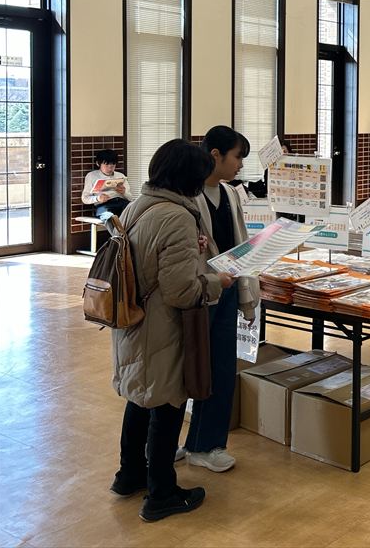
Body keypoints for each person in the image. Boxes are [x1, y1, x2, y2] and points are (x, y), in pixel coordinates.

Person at [109, 139, 235, 521]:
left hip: (133, 321)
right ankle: (161, 493)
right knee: (166, 406)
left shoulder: (137, 206)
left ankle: (130, 474)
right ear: (189, 179)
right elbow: (182, 291)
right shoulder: (177, 216)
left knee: (140, 399)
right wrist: (218, 283)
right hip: (163, 328)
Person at [180, 126, 261, 472]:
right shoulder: (187, 194)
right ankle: (173, 442)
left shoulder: (230, 193)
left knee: (221, 370)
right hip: (196, 294)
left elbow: (241, 245)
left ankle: (207, 444)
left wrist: (248, 296)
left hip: (226, 293)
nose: (240, 164)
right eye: (237, 157)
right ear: (215, 155)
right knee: (184, 371)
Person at [82, 149, 132, 221]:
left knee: (134, 213)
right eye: (106, 164)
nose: (110, 168)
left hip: (121, 202)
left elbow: (130, 198)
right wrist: (97, 198)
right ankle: (116, 227)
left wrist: (124, 192)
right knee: (109, 217)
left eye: (113, 165)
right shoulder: (91, 176)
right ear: (98, 163)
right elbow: (85, 198)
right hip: (104, 205)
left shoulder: (120, 176)